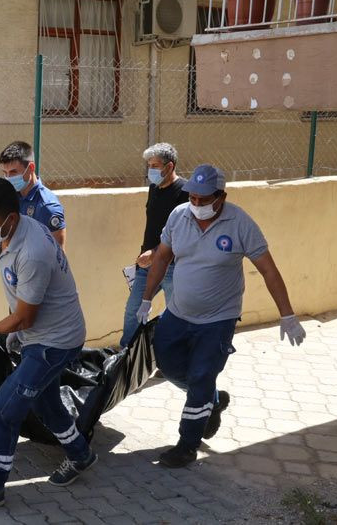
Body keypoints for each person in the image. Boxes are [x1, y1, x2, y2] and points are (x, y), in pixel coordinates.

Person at [137, 164, 306, 468]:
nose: (197, 205)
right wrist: (146, 299)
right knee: (168, 365)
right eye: (193, 198)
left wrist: (287, 315)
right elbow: (162, 257)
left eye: (204, 199)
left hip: (218, 321)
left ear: (221, 196)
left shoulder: (240, 223)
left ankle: (187, 444)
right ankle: (210, 400)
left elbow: (268, 269)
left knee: (201, 375)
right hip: (177, 313)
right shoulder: (179, 216)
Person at [0, 177, 96, 509]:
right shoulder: (16, 229)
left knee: (4, 409)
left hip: (53, 342)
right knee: (45, 403)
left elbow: (26, 318)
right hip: (42, 335)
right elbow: (20, 299)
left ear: (10, 218)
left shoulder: (33, 252)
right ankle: (81, 454)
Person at [0, 141, 66, 294]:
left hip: (39, 288)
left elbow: (58, 256)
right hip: (16, 281)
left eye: (13, 172)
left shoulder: (47, 207)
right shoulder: (9, 198)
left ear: (31, 168)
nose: (8, 178)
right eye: (5, 173)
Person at [120, 143, 188, 348]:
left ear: (170, 166)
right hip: (147, 266)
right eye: (149, 165)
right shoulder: (154, 189)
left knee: (175, 315)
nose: (151, 170)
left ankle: (172, 361)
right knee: (133, 310)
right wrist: (146, 254)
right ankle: (126, 359)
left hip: (174, 266)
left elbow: (184, 233)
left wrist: (156, 252)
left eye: (155, 165)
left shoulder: (185, 192)